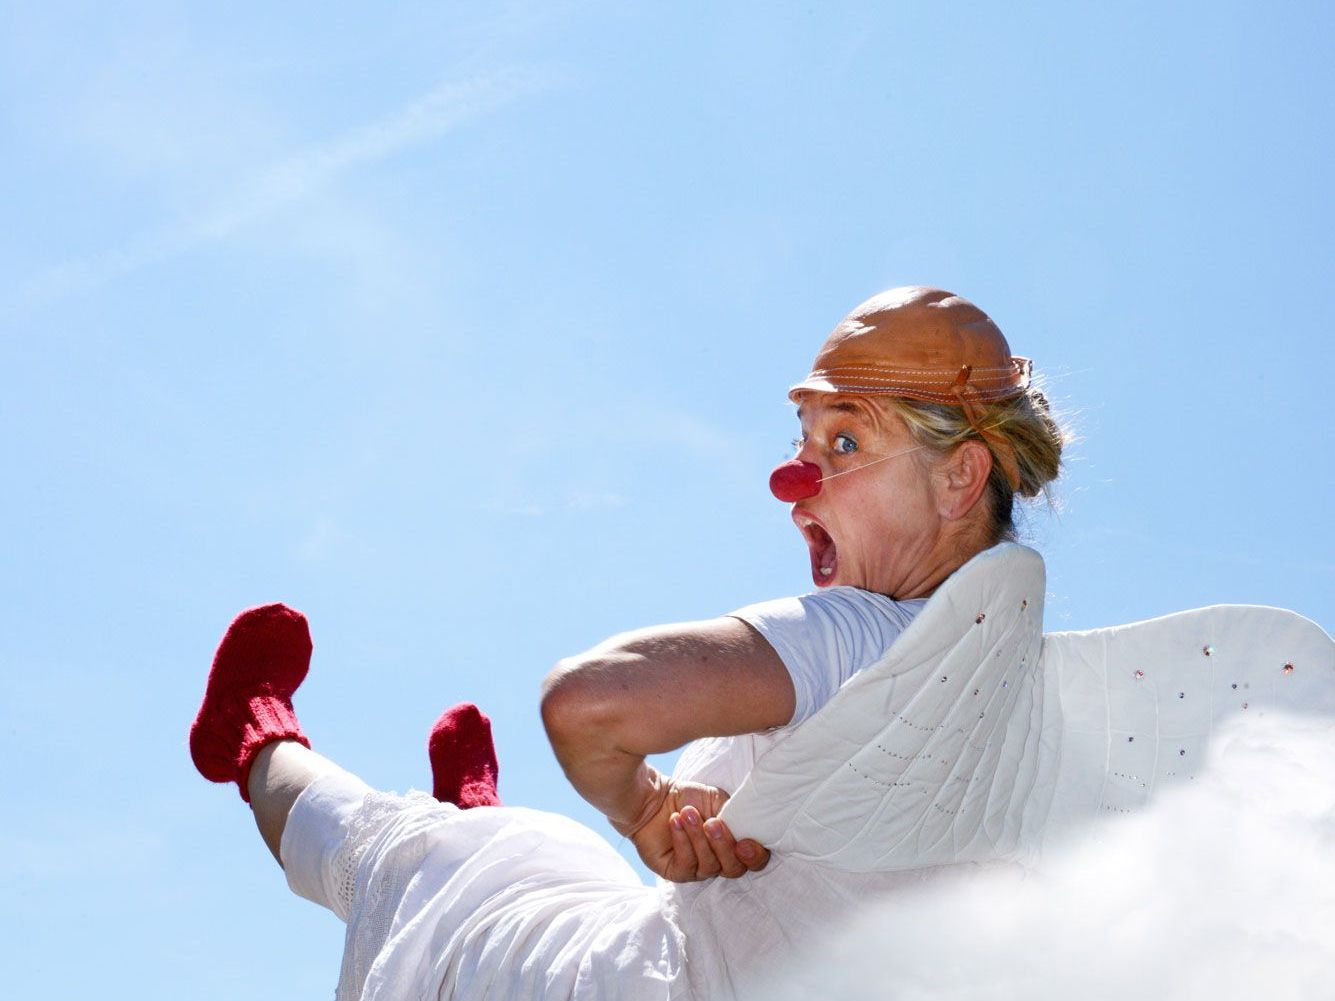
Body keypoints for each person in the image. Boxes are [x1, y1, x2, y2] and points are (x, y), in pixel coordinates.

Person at [189, 286, 1068, 1000]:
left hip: (608, 982)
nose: (796, 484)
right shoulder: (1039, 721)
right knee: (550, 852)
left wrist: (644, 809)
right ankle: (477, 809)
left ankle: (254, 738)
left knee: (411, 860)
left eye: (844, 440)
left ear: (960, 477)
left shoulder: (865, 632)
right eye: (802, 443)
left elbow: (588, 704)